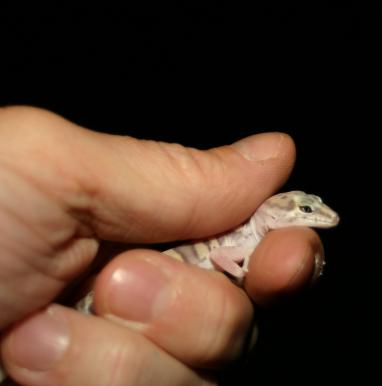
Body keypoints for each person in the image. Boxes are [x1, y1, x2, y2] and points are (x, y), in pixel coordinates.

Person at [0, 106, 324, 385]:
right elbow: (221, 255)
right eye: (306, 211)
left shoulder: (251, 233)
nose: (317, 216)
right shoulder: (245, 236)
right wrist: (241, 271)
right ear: (274, 212)